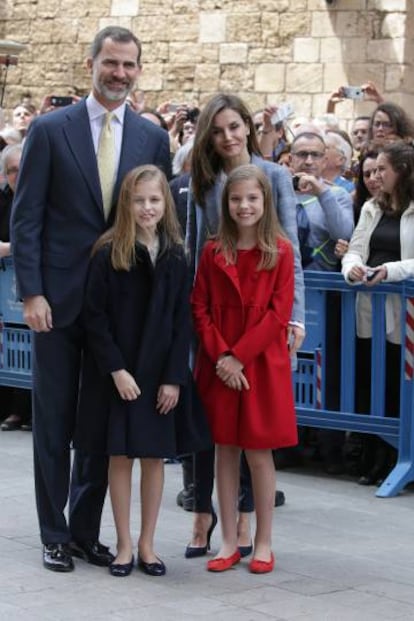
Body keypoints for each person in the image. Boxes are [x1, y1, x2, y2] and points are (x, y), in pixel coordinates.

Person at [11, 26, 171, 573]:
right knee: (53, 423)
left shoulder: (153, 140)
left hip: (119, 308)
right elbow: (26, 217)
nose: (119, 73)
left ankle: (84, 531)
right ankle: (53, 533)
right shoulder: (51, 130)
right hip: (55, 302)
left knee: (100, 427)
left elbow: (159, 226)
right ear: (91, 64)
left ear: (138, 70)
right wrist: (30, 291)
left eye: (129, 65)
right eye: (111, 62)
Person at [185, 93, 304, 560]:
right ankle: (223, 533)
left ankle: (261, 539)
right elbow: (200, 266)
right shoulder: (205, 187)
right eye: (217, 130)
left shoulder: (274, 180)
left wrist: (294, 320)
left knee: (259, 445)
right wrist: (216, 351)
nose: (227, 137)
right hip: (219, 341)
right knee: (223, 445)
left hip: (259, 346)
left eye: (234, 127)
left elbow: (286, 269)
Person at [75, 165, 209, 577]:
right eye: (139, 200)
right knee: (119, 457)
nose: (147, 207)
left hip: (157, 378)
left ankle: (149, 545)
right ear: (126, 204)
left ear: (165, 203)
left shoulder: (175, 254)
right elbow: (94, 318)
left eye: (154, 200)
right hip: (118, 375)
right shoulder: (108, 251)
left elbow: (180, 322)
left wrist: (173, 377)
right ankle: (124, 545)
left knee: (153, 458)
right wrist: (115, 369)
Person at [342, 141, 414, 484]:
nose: (375, 175)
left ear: (401, 172)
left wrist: (391, 270)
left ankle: (397, 456)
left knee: (400, 385)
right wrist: (352, 268)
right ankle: (372, 455)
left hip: (405, 311)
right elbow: (355, 249)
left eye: (383, 168)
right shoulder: (372, 207)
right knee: (371, 380)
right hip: (371, 307)